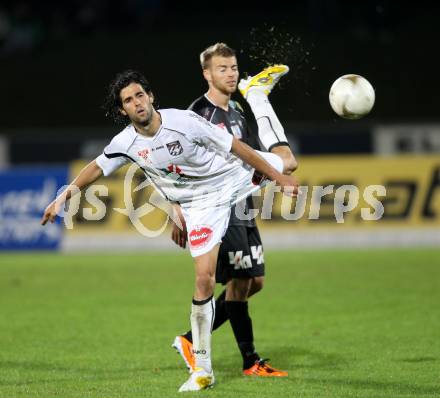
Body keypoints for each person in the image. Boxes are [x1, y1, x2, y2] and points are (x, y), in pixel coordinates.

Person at [40, 70, 298, 392]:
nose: (136, 103)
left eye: (139, 95)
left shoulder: (184, 121)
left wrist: (277, 177)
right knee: (203, 278)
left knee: (287, 162)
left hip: (231, 177)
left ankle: (256, 95)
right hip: (200, 207)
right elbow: (96, 167)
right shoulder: (126, 142)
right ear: (123, 110)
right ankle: (203, 370)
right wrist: (63, 197)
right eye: (128, 101)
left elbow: (234, 146)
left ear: (150, 97)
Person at [171, 43, 297, 377]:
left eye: (234, 67)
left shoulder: (237, 113)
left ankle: (191, 340)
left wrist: (270, 176)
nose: (230, 73)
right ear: (207, 74)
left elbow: (252, 155)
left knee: (253, 281)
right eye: (223, 69)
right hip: (217, 207)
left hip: (243, 202)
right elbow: (171, 164)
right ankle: (250, 361)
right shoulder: (196, 114)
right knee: (243, 279)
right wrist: (176, 208)